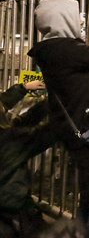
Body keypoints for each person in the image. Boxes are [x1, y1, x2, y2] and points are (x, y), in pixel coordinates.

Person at [28, 0, 89, 237]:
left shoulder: (55, 50)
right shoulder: (61, 48)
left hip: (78, 130)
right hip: (88, 129)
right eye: (77, 15)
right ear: (62, 19)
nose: (82, 20)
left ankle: (82, 232)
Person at [0, 80, 50, 237]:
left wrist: (23, 88)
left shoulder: (10, 138)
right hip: (11, 212)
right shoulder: (11, 140)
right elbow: (46, 135)